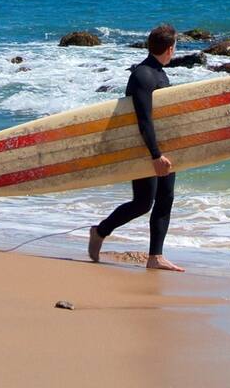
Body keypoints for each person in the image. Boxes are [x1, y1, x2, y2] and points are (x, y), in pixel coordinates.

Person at [87, 24, 185, 272]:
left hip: (163, 147)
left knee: (166, 198)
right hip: (145, 148)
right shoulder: (143, 75)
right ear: (170, 48)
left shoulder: (160, 74)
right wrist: (155, 155)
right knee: (143, 203)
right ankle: (100, 231)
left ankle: (155, 257)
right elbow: (144, 119)